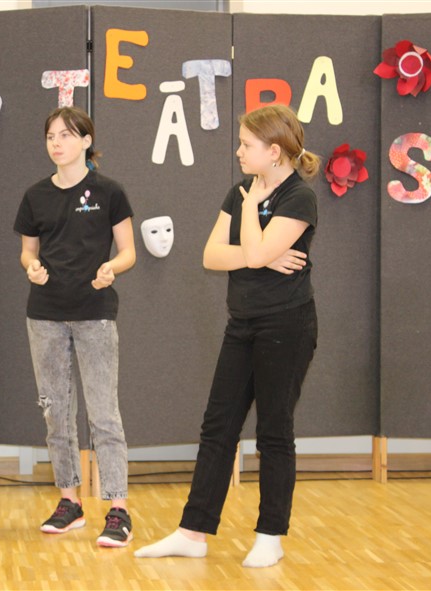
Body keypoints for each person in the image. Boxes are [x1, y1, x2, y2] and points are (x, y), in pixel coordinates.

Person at [135, 104, 320, 567]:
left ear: (274, 151)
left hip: (287, 326)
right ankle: (192, 532)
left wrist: (255, 231)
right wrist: (262, 253)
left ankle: (271, 535)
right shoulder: (237, 191)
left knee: (274, 430)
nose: (238, 152)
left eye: (246, 145)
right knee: (218, 426)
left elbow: (253, 254)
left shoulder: (299, 198)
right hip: (243, 323)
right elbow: (211, 256)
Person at [14, 106, 137, 548]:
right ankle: (70, 502)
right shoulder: (35, 196)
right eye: (51, 136)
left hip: (95, 314)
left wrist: (111, 269)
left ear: (86, 141)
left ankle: (118, 509)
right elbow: (28, 252)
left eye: (66, 135)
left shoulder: (109, 192)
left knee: (103, 413)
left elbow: (128, 252)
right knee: (56, 412)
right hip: (45, 316)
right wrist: (31, 267)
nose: (56, 143)